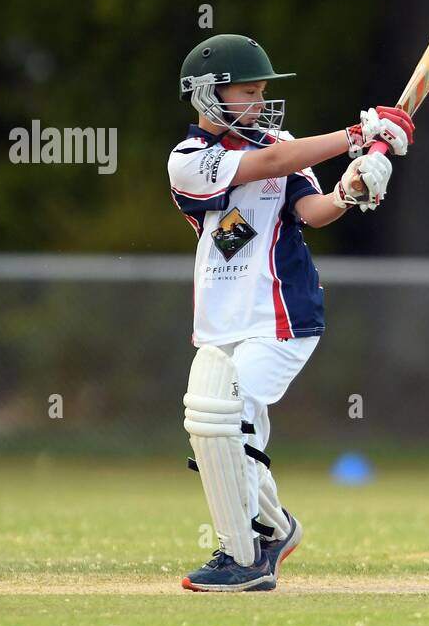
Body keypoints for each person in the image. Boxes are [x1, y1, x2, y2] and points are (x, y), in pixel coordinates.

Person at [169, 34, 414, 591]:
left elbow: (314, 209)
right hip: (222, 321)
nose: (260, 101)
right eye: (248, 92)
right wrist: (358, 135)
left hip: (284, 318)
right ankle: (275, 528)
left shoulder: (280, 145)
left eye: (262, 91)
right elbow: (274, 161)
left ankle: (246, 557)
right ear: (208, 94)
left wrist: (353, 188)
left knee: (230, 415)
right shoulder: (187, 162)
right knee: (212, 425)